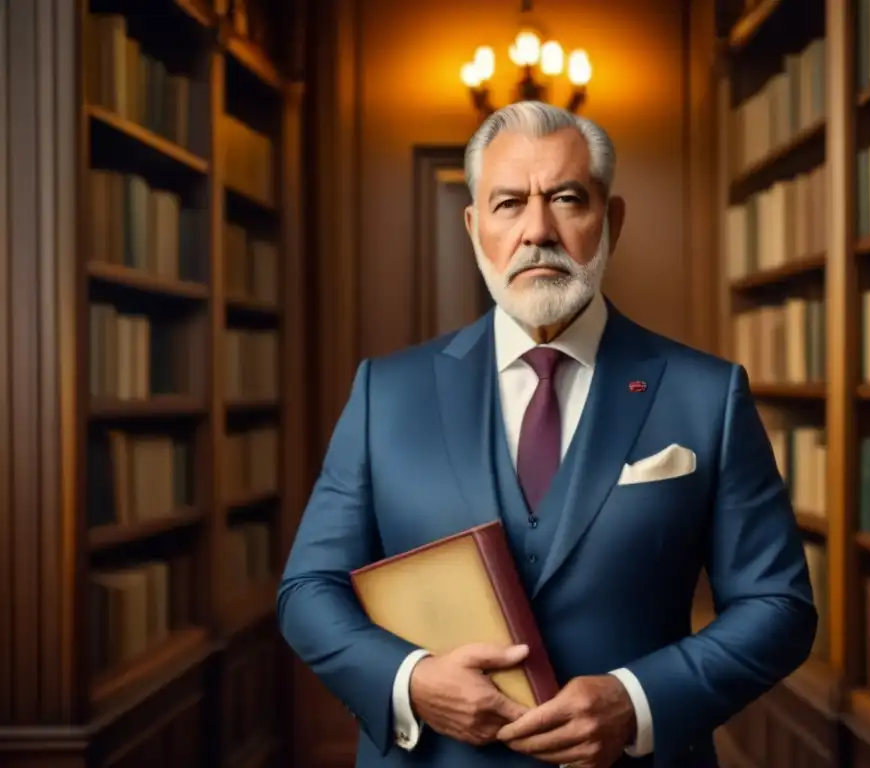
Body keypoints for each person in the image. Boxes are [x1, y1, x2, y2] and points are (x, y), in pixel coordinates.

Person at [278, 100, 818, 768]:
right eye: (509, 204)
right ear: (476, 228)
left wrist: (637, 701)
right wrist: (411, 680)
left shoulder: (708, 394)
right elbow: (307, 590)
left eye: (567, 198)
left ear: (610, 221)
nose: (539, 230)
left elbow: (779, 605)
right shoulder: (383, 394)